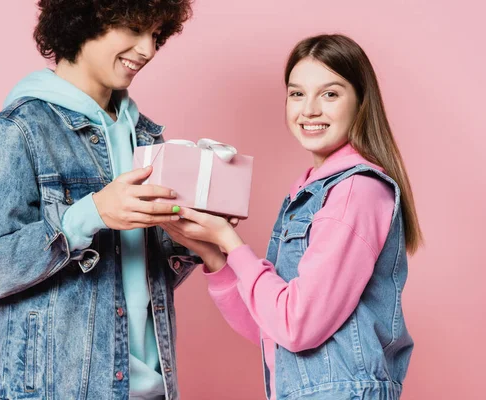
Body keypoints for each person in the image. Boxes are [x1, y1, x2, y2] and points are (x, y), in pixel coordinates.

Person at [0, 1, 205, 399]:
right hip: (59, 388)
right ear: (85, 19)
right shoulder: (15, 131)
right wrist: (89, 214)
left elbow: (138, 280)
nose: (147, 49)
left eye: (157, 35)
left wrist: (192, 237)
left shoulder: (147, 140)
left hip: (152, 389)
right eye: (134, 28)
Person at [162, 34, 423, 400]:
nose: (309, 110)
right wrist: (213, 254)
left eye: (330, 94)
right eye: (297, 93)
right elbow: (271, 329)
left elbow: (296, 326)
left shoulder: (354, 191)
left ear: (361, 102)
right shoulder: (310, 192)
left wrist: (230, 240)